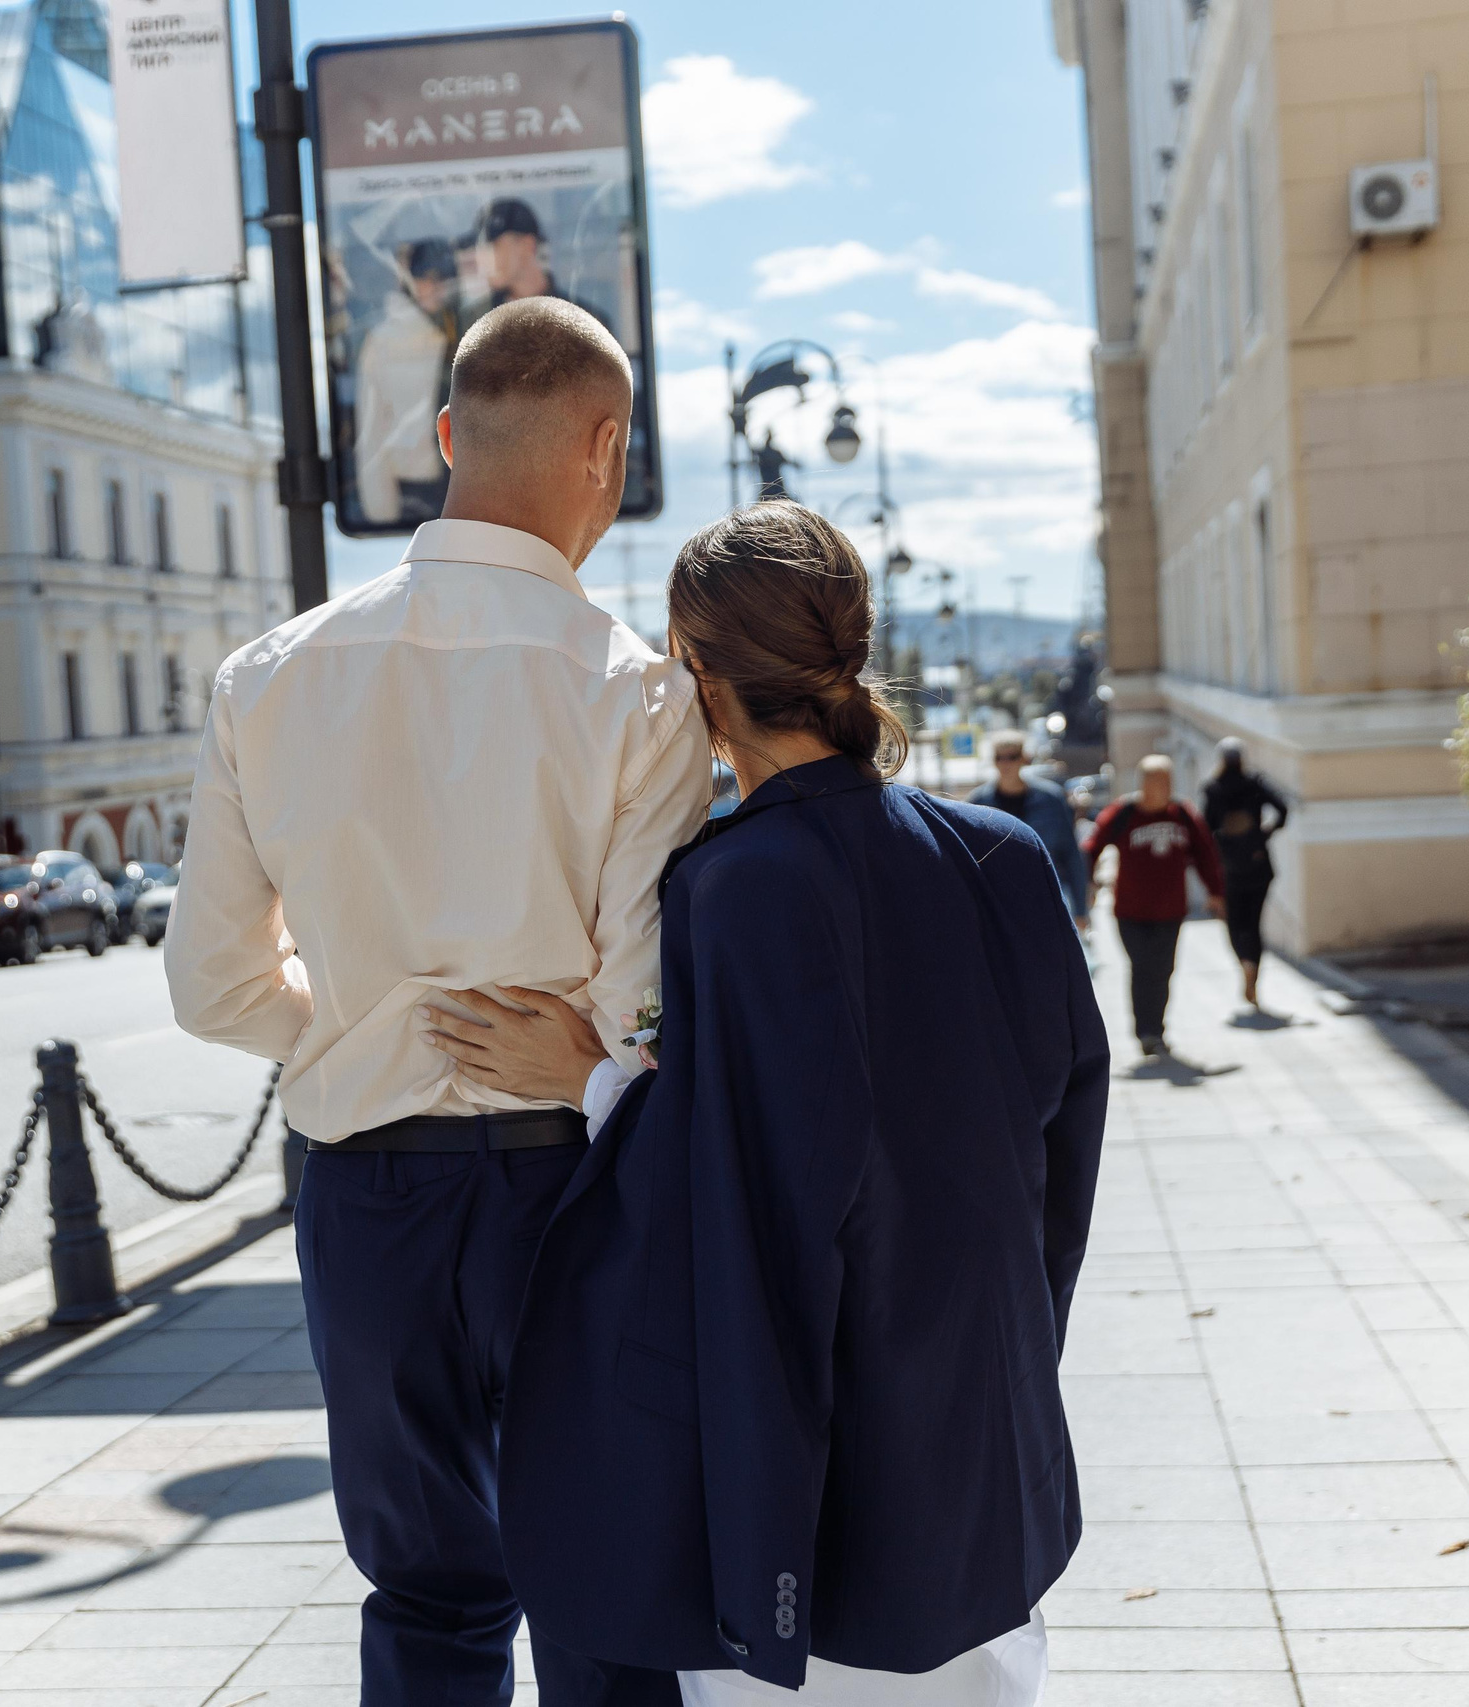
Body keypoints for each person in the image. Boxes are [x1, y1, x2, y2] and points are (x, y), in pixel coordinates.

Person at [421, 501, 1109, 1705]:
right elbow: (1064, 1143)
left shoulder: (734, 890)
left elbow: (737, 1187)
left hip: (830, 1473)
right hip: (983, 1428)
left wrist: (589, 1080)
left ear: (696, 670)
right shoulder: (1003, 857)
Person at [166, 296, 711, 1707]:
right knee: (604, 1576)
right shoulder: (642, 697)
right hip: (572, 1185)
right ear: (607, 446)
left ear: (449, 433)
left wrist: (359, 1028)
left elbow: (212, 982)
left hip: (369, 1190)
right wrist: (571, 1040)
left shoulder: (268, 676)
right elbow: (644, 1005)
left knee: (424, 1588)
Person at [1086, 754, 1223, 1058]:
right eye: (1157, 783)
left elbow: (1205, 854)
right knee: (1143, 967)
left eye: (1168, 782)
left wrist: (1216, 891)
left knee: (1163, 970)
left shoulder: (1183, 815)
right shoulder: (1122, 814)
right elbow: (1091, 847)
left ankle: (1155, 1030)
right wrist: (1088, 882)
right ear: (1143, 785)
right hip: (1130, 911)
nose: (1164, 789)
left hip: (1171, 911)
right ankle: (1145, 1032)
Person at [352, 237, 459, 526]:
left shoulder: (469, 328)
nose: (435, 287)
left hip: (471, 489)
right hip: (415, 493)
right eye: (426, 277)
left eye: (444, 278)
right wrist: (382, 515)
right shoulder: (384, 341)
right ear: (410, 279)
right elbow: (371, 432)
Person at [970, 733, 1090, 932]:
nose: (1006, 763)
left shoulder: (1051, 799)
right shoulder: (978, 803)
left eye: (1012, 756)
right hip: (999, 901)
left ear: (1024, 759)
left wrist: (1081, 910)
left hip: (1047, 895)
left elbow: (1071, 854)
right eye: (999, 758)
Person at [1200, 737, 1288, 1008]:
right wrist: (1266, 833)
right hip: (1259, 864)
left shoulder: (1214, 789)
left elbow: (1205, 829)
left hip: (1230, 867)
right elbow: (1283, 809)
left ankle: (1245, 964)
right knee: (1254, 924)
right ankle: (1254, 974)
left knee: (1235, 925)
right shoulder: (1255, 784)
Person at [461, 197, 613, 336]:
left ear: (527, 245)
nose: (483, 259)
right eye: (479, 249)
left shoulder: (586, 322)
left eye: (493, 246)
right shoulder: (474, 322)